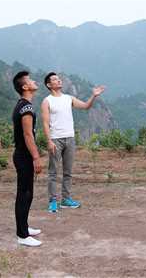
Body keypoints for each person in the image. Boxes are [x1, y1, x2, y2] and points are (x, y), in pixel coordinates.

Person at [40, 72, 105, 213]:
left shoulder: (68, 98)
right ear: (49, 85)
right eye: (55, 79)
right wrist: (49, 140)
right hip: (55, 139)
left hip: (70, 138)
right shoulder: (47, 101)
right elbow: (45, 123)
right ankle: (53, 201)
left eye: (58, 79)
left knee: (67, 172)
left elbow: (86, 106)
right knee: (53, 172)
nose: (58, 80)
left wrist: (94, 95)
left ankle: (66, 199)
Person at [11, 71, 43, 247]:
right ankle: (22, 236)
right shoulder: (26, 108)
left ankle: (24, 227)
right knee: (24, 194)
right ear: (25, 87)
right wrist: (36, 157)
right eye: (30, 80)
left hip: (23, 156)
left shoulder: (22, 105)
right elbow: (27, 134)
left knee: (27, 193)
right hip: (24, 157)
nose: (34, 81)